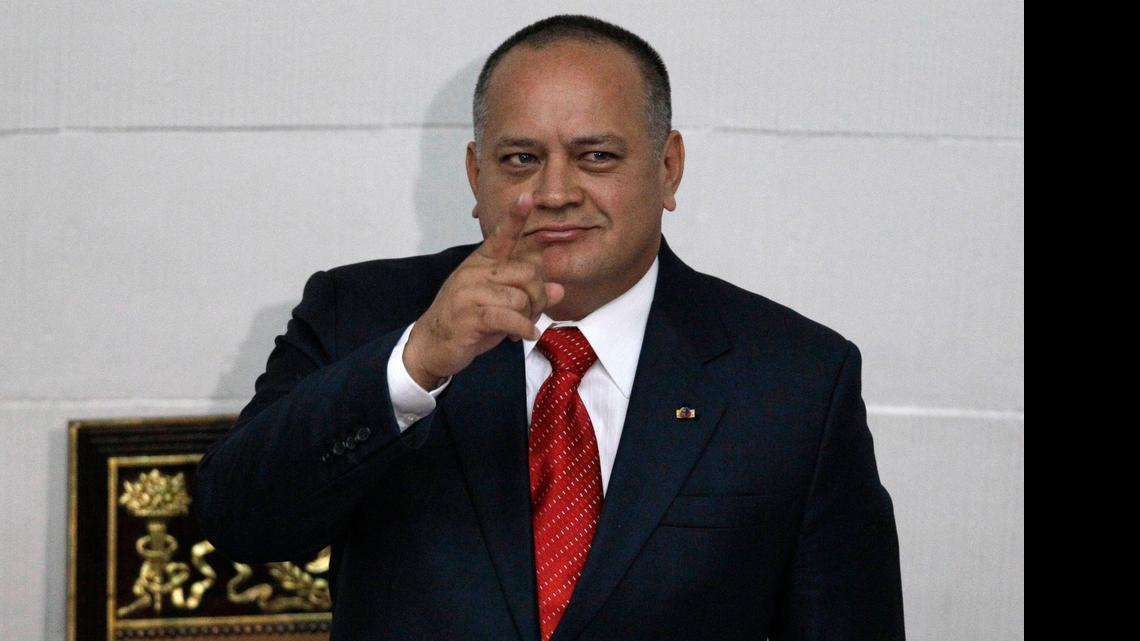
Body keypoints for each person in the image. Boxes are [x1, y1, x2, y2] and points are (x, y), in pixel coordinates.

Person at [194, 14, 905, 641]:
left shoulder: (796, 379)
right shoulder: (363, 315)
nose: (555, 192)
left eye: (596, 155)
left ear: (669, 166)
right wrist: (416, 364)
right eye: (520, 159)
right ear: (476, 176)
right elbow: (237, 521)